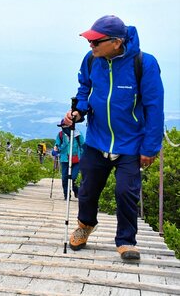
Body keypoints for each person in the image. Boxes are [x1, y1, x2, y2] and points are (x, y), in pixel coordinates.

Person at [62, 15, 164, 261]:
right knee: (87, 190)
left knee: (126, 192)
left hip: (130, 143)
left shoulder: (144, 64)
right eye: (89, 41)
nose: (91, 46)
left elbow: (154, 107)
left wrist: (150, 148)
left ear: (117, 42)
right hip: (97, 140)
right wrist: (78, 112)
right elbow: (84, 90)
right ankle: (85, 226)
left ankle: (126, 240)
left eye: (96, 42)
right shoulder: (91, 60)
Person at [54, 119, 85, 200]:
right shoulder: (60, 135)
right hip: (65, 159)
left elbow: (83, 145)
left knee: (74, 177)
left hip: (76, 159)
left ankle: (76, 191)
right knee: (64, 178)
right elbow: (57, 144)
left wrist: (84, 156)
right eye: (62, 126)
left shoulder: (77, 134)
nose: (64, 128)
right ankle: (66, 195)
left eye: (65, 126)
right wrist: (56, 149)